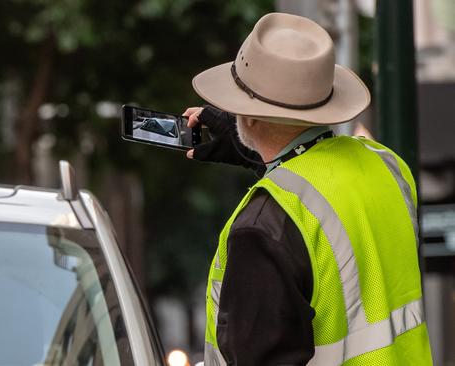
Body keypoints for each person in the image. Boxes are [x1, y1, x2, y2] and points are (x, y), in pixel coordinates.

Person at [183, 13, 433, 366]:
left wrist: (259, 154)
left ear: (249, 116)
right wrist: (257, 156)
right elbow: (325, 199)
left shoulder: (259, 229)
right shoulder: (385, 165)